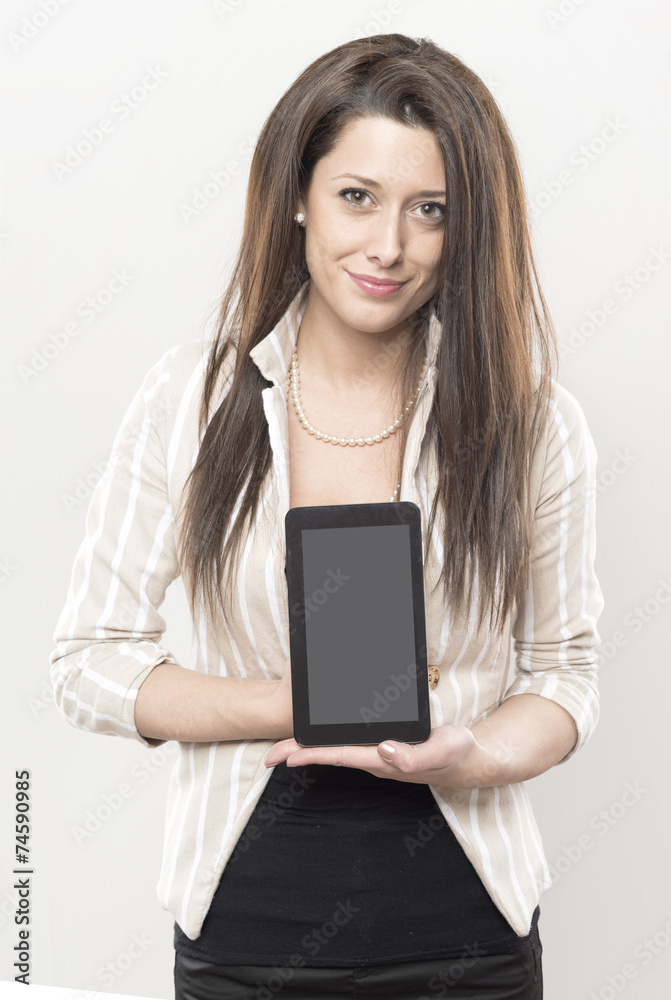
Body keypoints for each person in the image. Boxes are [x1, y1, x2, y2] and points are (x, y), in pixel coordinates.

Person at [50, 32, 603, 1000]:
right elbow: (89, 664)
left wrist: (471, 748)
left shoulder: (530, 421)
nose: (387, 246)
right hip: (243, 938)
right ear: (297, 195)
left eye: (430, 210)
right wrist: (296, 700)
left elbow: (563, 677)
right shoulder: (191, 398)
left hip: (466, 940)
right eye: (357, 196)